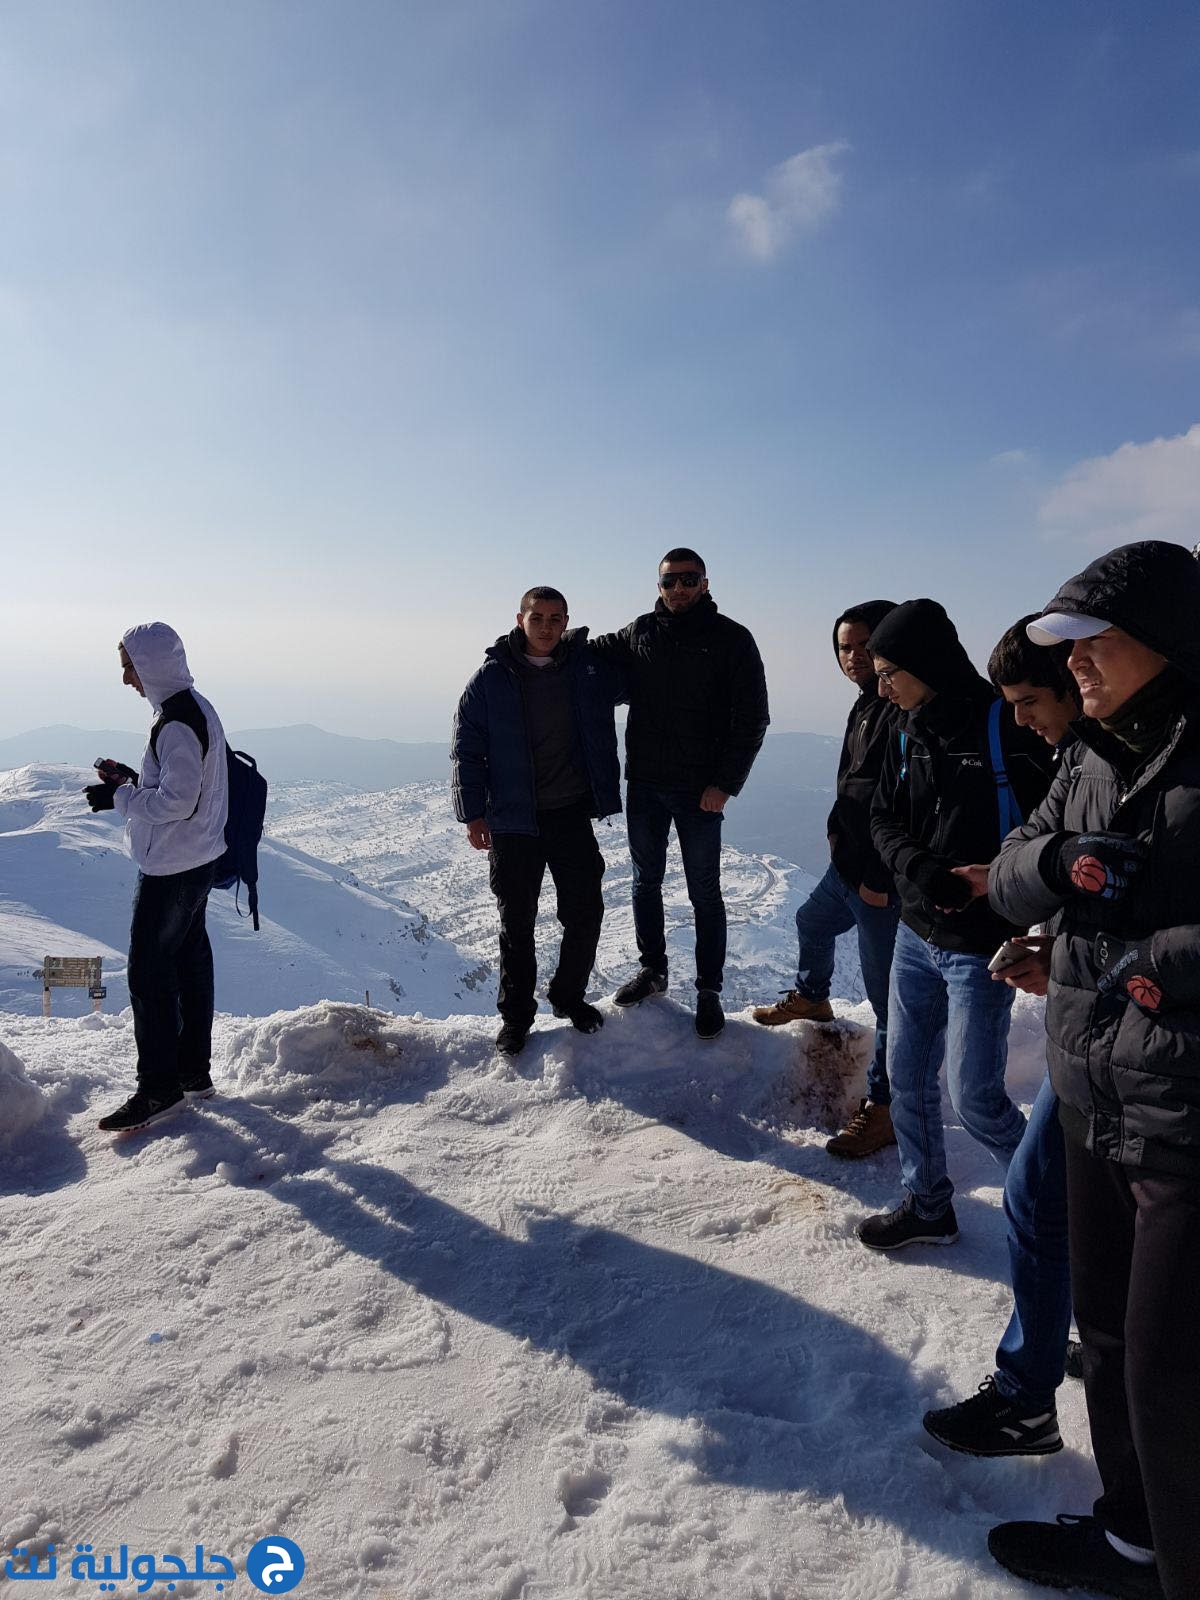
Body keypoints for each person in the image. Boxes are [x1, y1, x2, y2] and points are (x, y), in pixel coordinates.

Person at [987, 541, 1200, 1600]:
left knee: (1176, 1381)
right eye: (1060, 648)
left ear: (1164, 639)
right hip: (1089, 1090)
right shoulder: (1093, 751)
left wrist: (1154, 963)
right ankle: (1131, 1543)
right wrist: (1060, 867)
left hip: (1184, 1108)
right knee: (1109, 1341)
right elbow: (1015, 865)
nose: (1070, 666)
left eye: (1089, 644)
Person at [923, 617, 1082, 1457]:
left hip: (1127, 1030)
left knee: (1037, 1195)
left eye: (1029, 701)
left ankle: (1027, 1398)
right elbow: (1032, 855)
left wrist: (1065, 951)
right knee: (1058, 1196)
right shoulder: (1089, 758)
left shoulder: (1129, 758)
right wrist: (1054, 937)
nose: (1019, 720)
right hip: (1093, 1017)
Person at [856, 599, 1055, 1249]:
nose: (879, 684)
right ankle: (928, 1204)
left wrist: (1001, 889)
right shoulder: (903, 725)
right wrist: (924, 871)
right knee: (906, 1077)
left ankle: (1057, 1208)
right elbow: (881, 818)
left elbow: (1052, 833)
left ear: (925, 664)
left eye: (889, 671)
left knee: (974, 1098)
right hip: (917, 934)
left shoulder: (1008, 725)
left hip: (981, 944)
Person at [593, 549, 769, 1040]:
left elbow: (754, 717)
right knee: (644, 883)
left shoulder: (732, 640)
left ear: (706, 583)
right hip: (645, 784)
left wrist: (725, 785)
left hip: (699, 792)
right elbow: (593, 651)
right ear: (659, 585)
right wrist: (547, 641)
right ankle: (654, 972)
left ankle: (708, 990)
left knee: (704, 894)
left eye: (688, 580)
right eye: (670, 581)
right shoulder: (640, 632)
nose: (678, 589)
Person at [752, 600, 902, 1158]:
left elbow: (904, 805)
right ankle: (814, 998)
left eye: (865, 644)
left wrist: (881, 877)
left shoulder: (904, 712)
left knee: (887, 1004)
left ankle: (884, 1108)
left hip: (877, 883)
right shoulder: (866, 705)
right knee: (809, 921)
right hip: (848, 870)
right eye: (844, 646)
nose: (853, 656)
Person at [451, 587, 623, 1057]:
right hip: (513, 820)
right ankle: (516, 1019)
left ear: (566, 621)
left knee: (585, 912)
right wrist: (472, 813)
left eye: (555, 618)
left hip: (569, 812)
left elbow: (644, 677)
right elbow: (467, 746)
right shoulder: (491, 679)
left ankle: (568, 997)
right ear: (520, 619)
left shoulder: (585, 670)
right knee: (517, 922)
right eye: (538, 617)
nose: (547, 627)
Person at [87, 623, 230, 1132]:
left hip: (173, 865)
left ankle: (160, 1090)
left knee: (148, 974)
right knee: (190, 963)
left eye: (129, 666)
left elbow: (178, 801)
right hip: (197, 857)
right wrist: (133, 780)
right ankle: (193, 1074)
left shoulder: (174, 723)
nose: (127, 679)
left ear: (151, 666)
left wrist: (121, 798)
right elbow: (181, 785)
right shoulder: (196, 708)